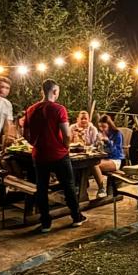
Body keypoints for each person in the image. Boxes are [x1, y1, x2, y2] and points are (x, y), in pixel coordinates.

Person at [23, 79, 87, 233]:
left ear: (42, 91)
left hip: (39, 155)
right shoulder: (59, 109)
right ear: (55, 92)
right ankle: (76, 217)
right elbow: (66, 133)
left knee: (42, 188)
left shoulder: (31, 109)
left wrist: (35, 143)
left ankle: (45, 223)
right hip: (59, 154)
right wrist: (66, 147)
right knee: (68, 186)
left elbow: (25, 134)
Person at [93, 114, 124, 198]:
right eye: (100, 127)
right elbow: (97, 148)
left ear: (109, 125)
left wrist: (108, 142)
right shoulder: (101, 134)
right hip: (104, 159)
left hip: (115, 160)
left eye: (104, 127)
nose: (102, 129)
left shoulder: (117, 134)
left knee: (94, 165)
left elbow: (117, 151)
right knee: (87, 164)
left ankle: (101, 189)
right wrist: (97, 143)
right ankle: (81, 190)